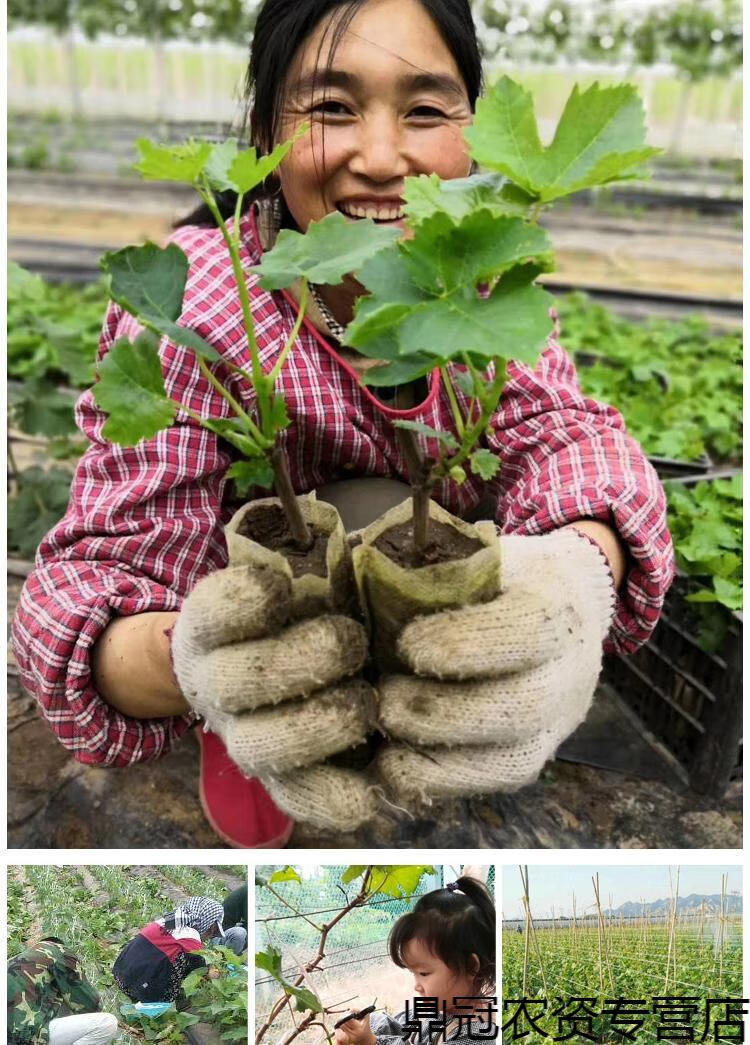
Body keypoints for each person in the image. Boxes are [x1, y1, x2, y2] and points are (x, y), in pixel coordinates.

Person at [11, 0, 675, 848]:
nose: (381, 155)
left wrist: (578, 572)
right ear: (265, 132)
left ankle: (406, 700)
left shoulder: (478, 269)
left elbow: (570, 438)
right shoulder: (203, 301)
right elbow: (76, 594)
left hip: (423, 598)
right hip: (255, 621)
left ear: (472, 136)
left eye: (425, 109)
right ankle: (243, 716)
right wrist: (197, 662)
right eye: (331, 107)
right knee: (335, 525)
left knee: (401, 524)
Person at [334, 876, 495, 1045]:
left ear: (470, 966)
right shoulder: (438, 1008)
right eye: (414, 973)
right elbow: (399, 1026)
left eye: (424, 973)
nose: (416, 986)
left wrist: (370, 1041)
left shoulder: (475, 1036)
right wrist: (366, 1025)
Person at [8, 937, 118, 1045]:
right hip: (22, 1036)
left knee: (59, 1000)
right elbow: (88, 1004)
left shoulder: (14, 961)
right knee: (107, 1024)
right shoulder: (58, 951)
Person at [112, 897, 223, 1004]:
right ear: (208, 925)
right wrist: (212, 973)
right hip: (138, 991)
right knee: (184, 958)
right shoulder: (190, 935)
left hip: (120, 976)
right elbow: (200, 967)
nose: (209, 936)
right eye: (212, 932)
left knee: (173, 953)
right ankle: (165, 998)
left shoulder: (170, 920)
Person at [216, 884, 248, 955]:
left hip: (226, 933)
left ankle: (234, 955)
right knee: (241, 933)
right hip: (217, 936)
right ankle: (226, 958)